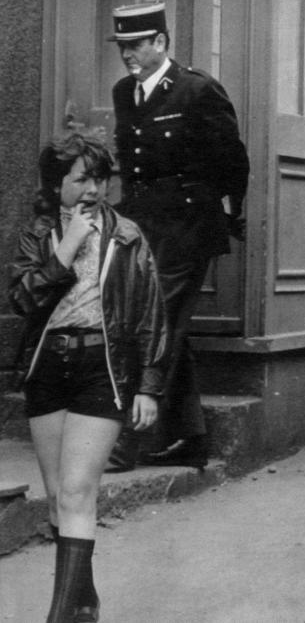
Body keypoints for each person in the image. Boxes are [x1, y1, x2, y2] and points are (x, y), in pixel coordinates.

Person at [9, 133, 167, 622]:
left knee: (78, 491)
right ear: (57, 185)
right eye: (81, 180)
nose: (93, 190)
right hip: (49, 368)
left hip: (104, 368)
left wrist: (149, 384)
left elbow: (150, 311)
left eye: (100, 179)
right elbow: (22, 299)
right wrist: (68, 248)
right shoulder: (37, 233)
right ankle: (84, 602)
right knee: (58, 497)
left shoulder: (127, 235)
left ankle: (60, 616)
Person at [106, 2, 250, 471]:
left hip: (189, 228)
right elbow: (132, 169)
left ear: (162, 43)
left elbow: (233, 161)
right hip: (143, 227)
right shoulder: (124, 93)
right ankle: (191, 436)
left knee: (158, 320)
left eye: (137, 44)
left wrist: (227, 214)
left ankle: (127, 443)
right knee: (168, 326)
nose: (128, 54)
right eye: (123, 45)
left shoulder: (197, 90)